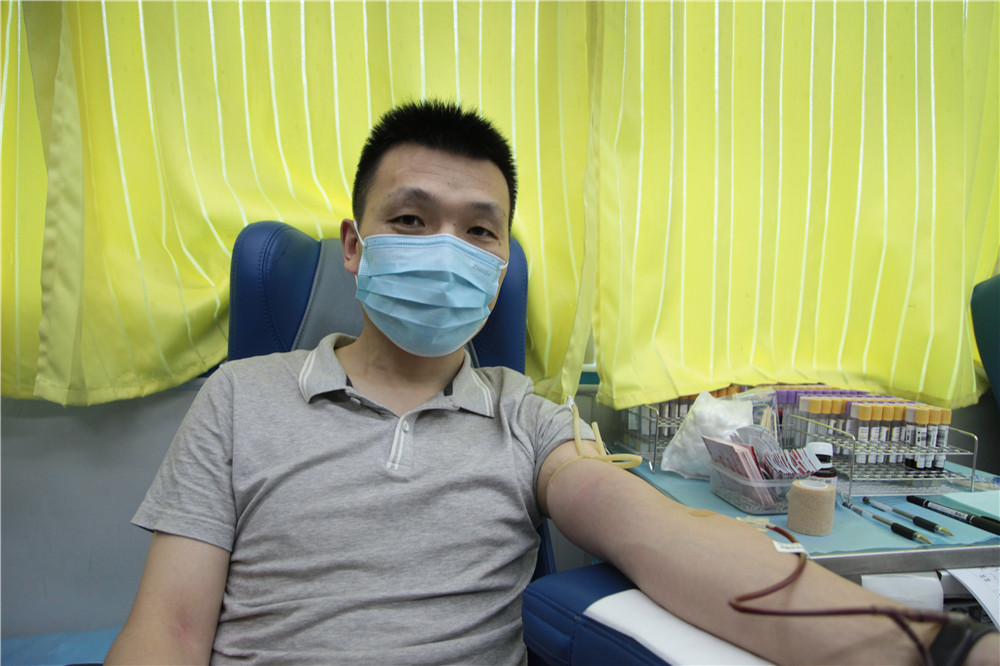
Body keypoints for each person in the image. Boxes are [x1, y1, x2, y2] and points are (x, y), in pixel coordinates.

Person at [106, 100, 998, 666]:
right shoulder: (240, 396)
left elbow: (665, 539)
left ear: (500, 265)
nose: (446, 250)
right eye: (410, 220)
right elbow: (171, 630)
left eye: (478, 231)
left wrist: (940, 649)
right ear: (354, 245)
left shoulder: (529, 418)